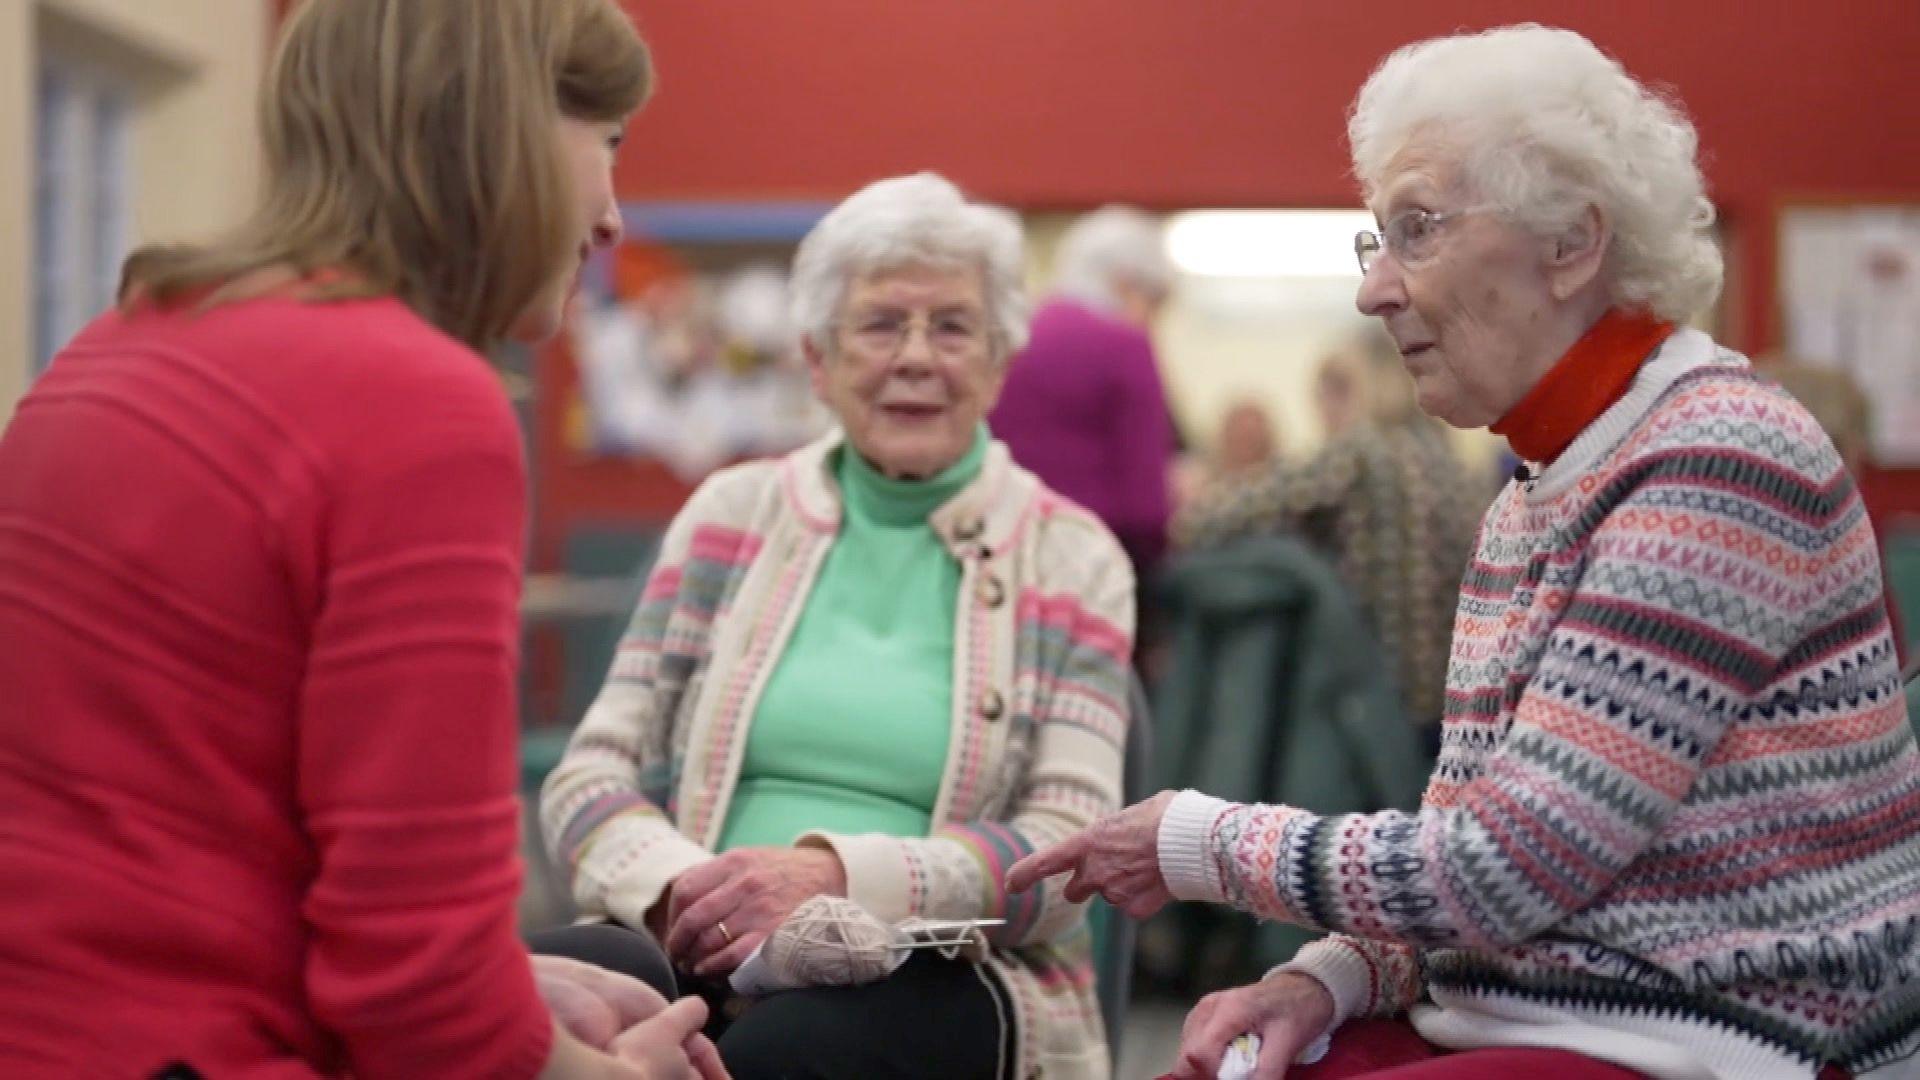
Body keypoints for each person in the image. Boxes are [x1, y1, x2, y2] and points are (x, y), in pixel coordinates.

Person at [1009, 24, 1920, 1080]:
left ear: (1573, 243)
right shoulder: (1541, 480)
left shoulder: (1714, 456)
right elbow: (1478, 853)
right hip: (1559, 1013)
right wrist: (1329, 978)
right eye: (1377, 240)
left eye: (1418, 230)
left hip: (1726, 1036)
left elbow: (1504, 867)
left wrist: (1195, 839)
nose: (1374, 288)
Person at [0, 2, 723, 1077]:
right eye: (607, 146)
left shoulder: (121, 342)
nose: (614, 217)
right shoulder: (416, 402)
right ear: (502, 131)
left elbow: (192, 838)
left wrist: (510, 977)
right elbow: (418, 1001)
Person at [539, 172, 1133, 1080]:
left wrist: (839, 885)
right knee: (564, 994)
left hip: (945, 963)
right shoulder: (729, 514)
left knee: (792, 1049)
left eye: (953, 326)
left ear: (999, 360)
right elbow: (588, 778)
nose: (917, 357)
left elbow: (1067, 850)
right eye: (883, 324)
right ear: (817, 359)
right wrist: (684, 898)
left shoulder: (1074, 555)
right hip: (694, 932)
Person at [1175, 330, 1486, 737]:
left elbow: (1206, 520)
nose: (1319, 404)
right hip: (1456, 704)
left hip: (1378, 705)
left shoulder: (1360, 454)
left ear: (1366, 387)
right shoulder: (1453, 464)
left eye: (1332, 387)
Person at [988, 205, 1180, 583]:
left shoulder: (1019, 334)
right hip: (1095, 561)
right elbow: (1146, 503)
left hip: (1006, 550)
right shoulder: (1125, 344)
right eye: (1157, 302)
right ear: (1128, 283)